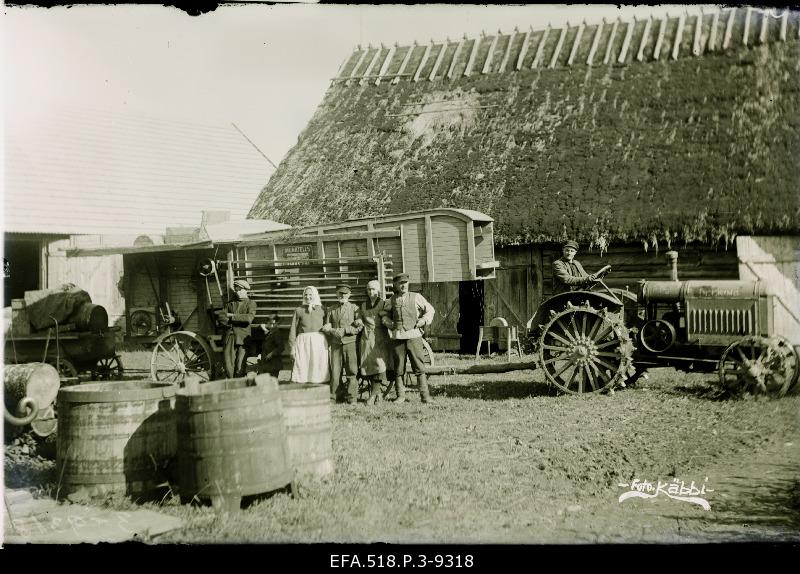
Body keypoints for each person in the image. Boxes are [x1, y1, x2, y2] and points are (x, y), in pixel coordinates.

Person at [381, 273, 435, 404]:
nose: (403, 285)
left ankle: (425, 396)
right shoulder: (391, 300)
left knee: (419, 366)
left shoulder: (417, 297)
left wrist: (422, 321)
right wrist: (389, 323)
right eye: (400, 283)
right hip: (398, 337)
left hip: (414, 336)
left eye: (405, 283)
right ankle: (400, 396)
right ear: (395, 285)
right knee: (398, 367)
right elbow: (383, 315)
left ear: (408, 284)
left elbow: (430, 310)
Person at [322, 284, 362, 404]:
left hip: (350, 343)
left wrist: (345, 330)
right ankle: (334, 397)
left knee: (352, 371)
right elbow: (326, 327)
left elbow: (359, 327)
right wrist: (333, 331)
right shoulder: (331, 309)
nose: (342, 296)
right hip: (336, 345)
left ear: (349, 294)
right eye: (340, 293)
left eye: (345, 293)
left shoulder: (355, 309)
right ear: (336, 294)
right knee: (335, 371)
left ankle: (351, 398)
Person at [357, 280, 391, 406]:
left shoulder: (383, 304)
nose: (371, 292)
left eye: (374, 289)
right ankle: (377, 394)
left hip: (380, 336)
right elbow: (359, 316)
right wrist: (359, 321)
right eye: (369, 289)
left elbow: (388, 316)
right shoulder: (363, 305)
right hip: (366, 337)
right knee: (369, 364)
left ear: (378, 290)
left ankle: (374, 394)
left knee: (379, 364)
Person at [288, 286, 329, 384]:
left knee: (318, 367)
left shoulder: (323, 309)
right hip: (303, 343)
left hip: (319, 342)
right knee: (303, 367)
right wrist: (292, 347)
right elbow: (293, 329)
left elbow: (328, 327)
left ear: (315, 295)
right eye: (305, 294)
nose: (308, 297)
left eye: (310, 294)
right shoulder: (299, 310)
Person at [219, 278, 257, 378]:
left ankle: (240, 384)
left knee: (240, 364)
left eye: (240, 289)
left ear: (245, 290)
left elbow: (248, 319)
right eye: (236, 289)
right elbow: (221, 318)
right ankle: (231, 383)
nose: (238, 292)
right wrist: (234, 320)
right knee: (228, 364)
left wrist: (232, 316)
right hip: (230, 337)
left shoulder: (251, 303)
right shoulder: (230, 304)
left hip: (242, 338)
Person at [259, 313, 284, 379]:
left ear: (277, 323)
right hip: (266, 364)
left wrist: (272, 353)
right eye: (268, 320)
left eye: (272, 321)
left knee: (272, 380)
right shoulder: (268, 333)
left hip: (274, 364)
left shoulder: (277, 333)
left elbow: (281, 347)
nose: (268, 322)